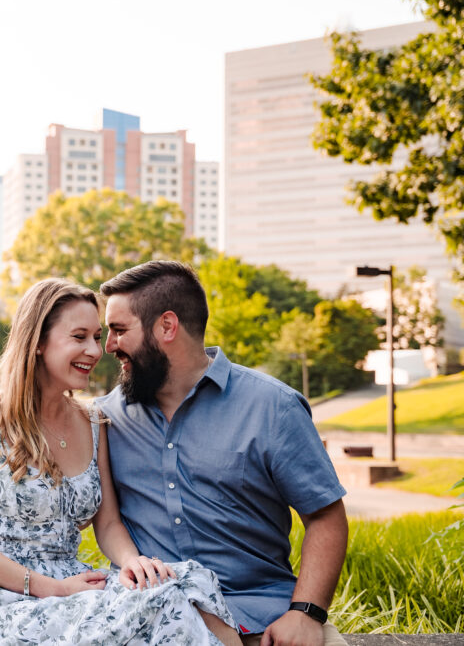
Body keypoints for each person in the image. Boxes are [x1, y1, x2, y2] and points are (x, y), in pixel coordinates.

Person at [0, 277, 241, 645]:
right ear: (37, 342)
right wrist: (52, 588)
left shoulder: (94, 422)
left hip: (75, 582)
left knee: (189, 582)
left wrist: (132, 561)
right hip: (5, 597)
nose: (96, 351)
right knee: (161, 605)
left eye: (97, 337)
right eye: (79, 337)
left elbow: (109, 523)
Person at [95, 261, 349, 646]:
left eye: (118, 330)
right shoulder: (104, 421)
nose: (109, 346)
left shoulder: (272, 407)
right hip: (153, 621)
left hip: (268, 619)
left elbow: (325, 515)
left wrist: (306, 613)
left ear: (167, 326)